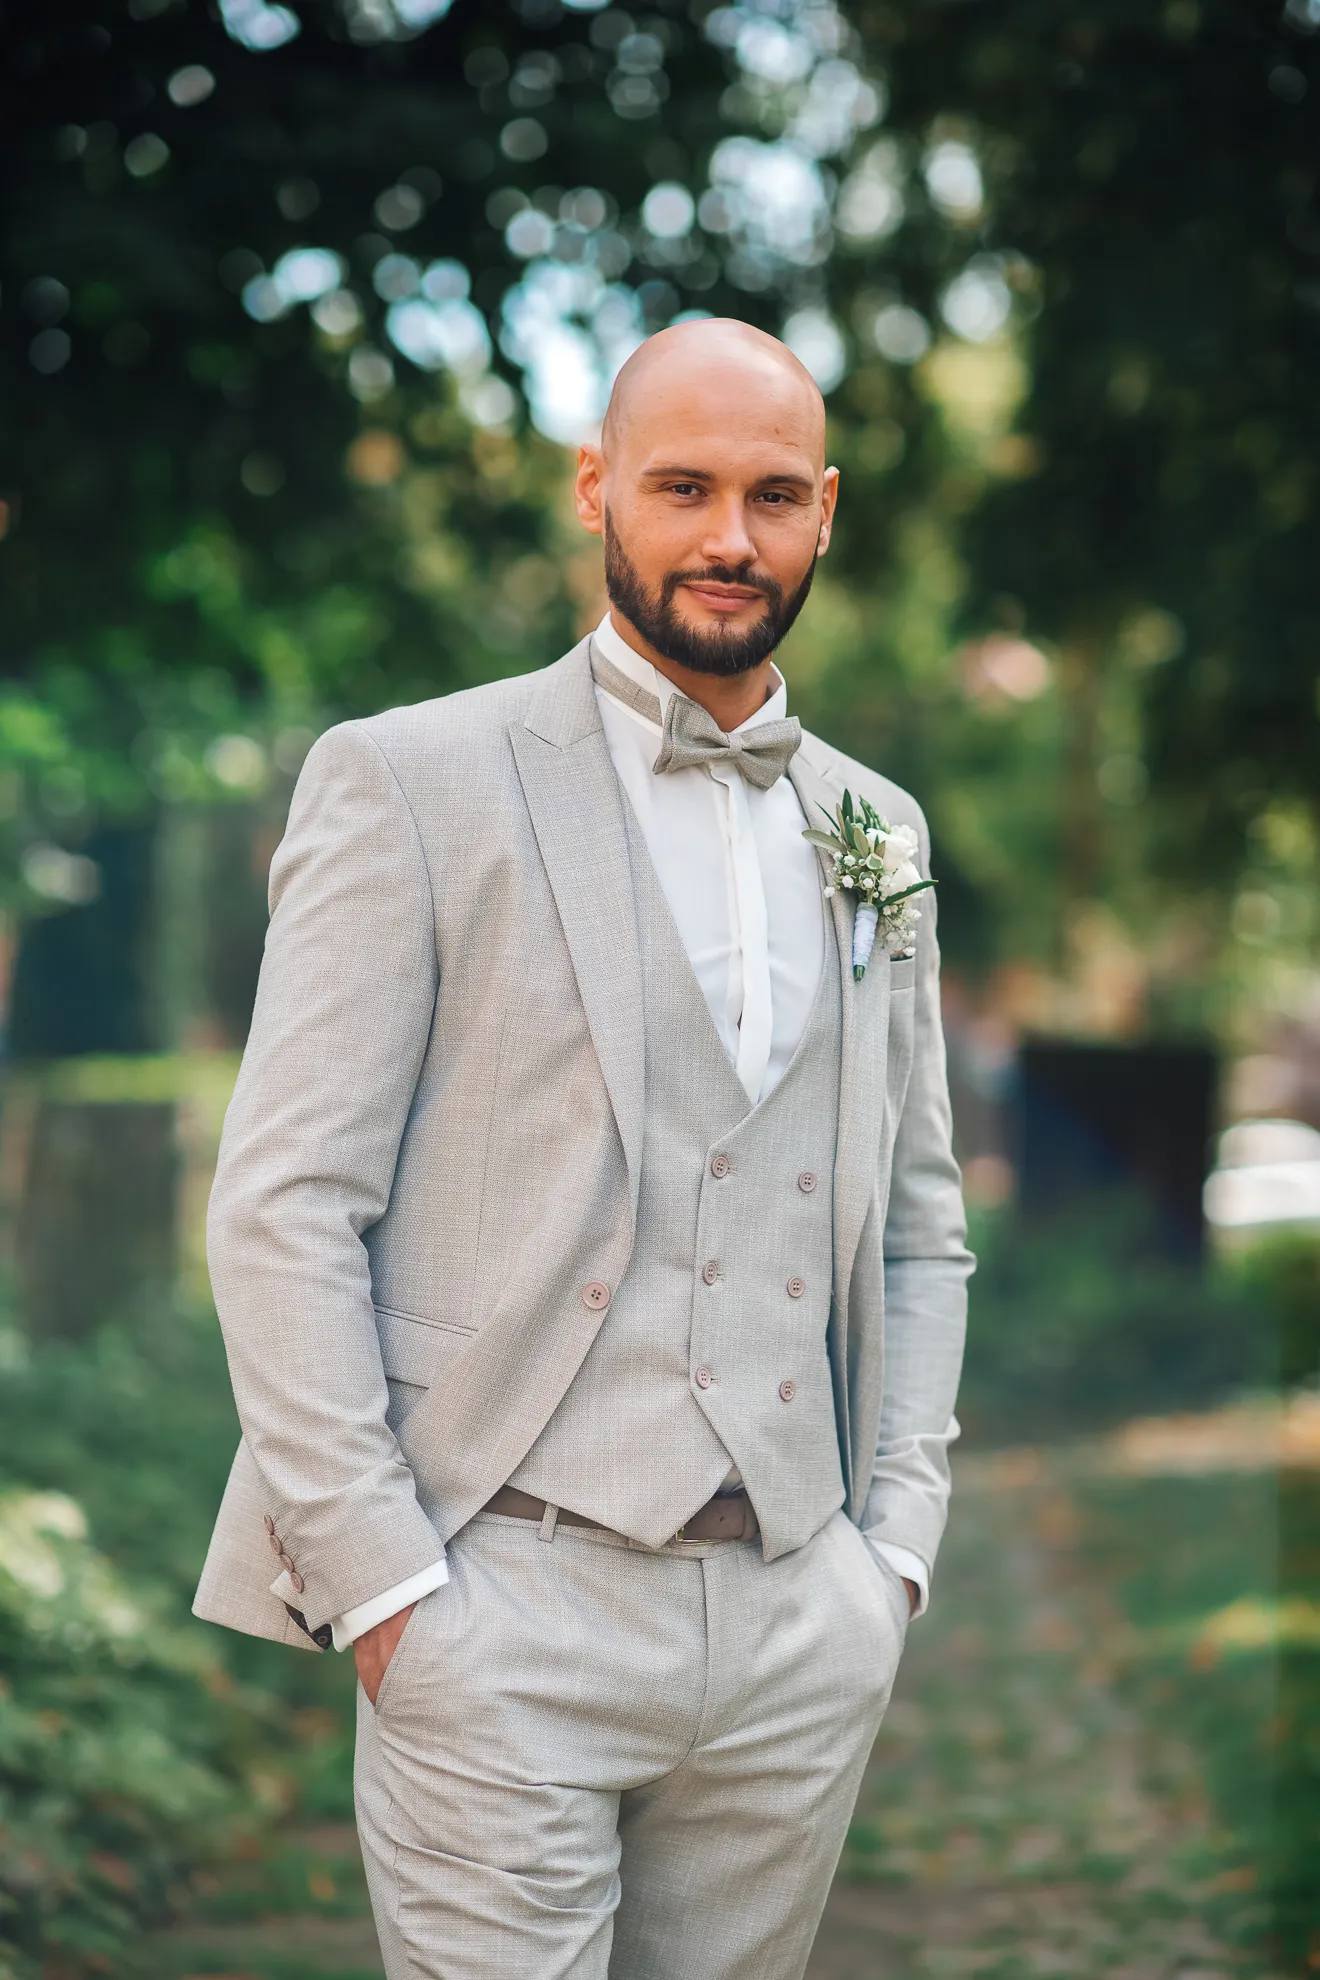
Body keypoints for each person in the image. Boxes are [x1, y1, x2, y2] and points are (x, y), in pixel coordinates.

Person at [194, 317, 972, 1979]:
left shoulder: (875, 828)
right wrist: (388, 1591)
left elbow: (918, 1223)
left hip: (792, 1619)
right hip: (501, 1601)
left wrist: (891, 1552)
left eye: (773, 496)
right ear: (596, 487)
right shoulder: (409, 781)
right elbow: (284, 1208)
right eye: (683, 486)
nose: (726, 539)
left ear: (826, 511)